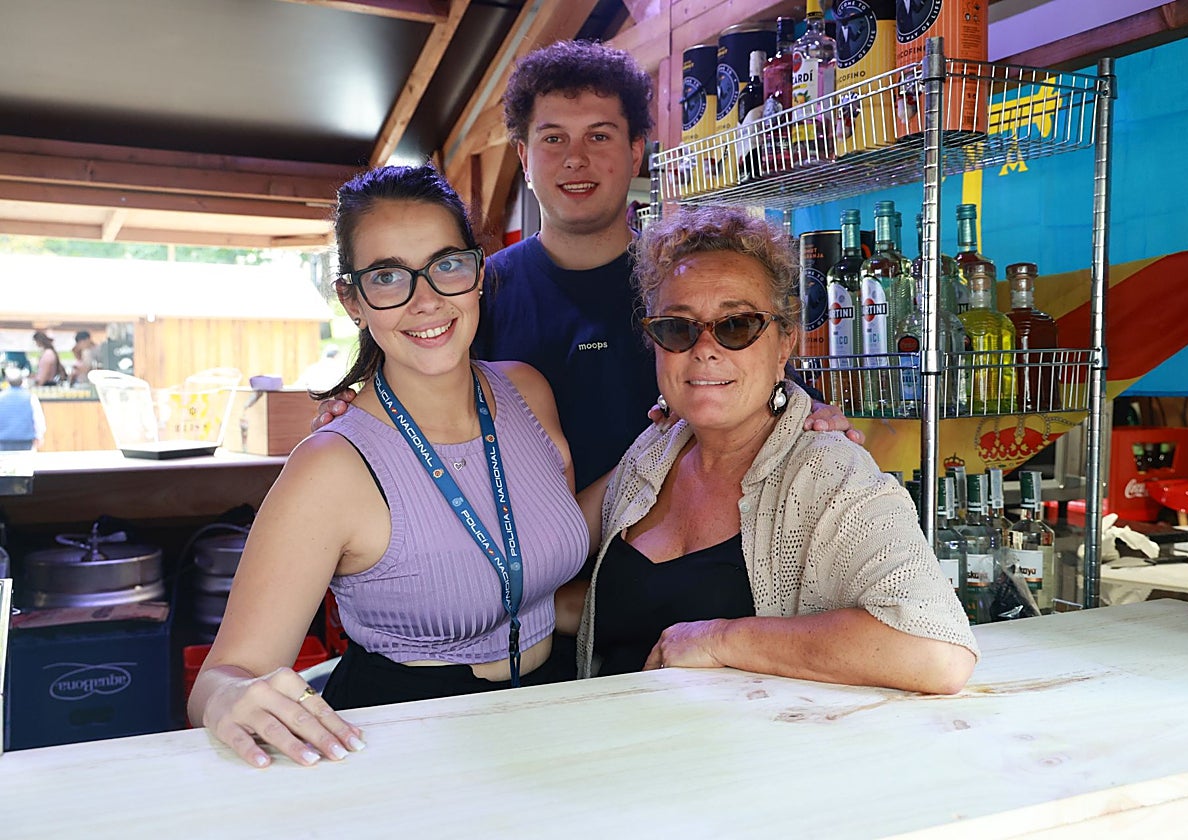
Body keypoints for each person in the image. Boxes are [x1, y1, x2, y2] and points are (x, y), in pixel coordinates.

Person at [314, 40, 861, 487]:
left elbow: (768, 388)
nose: (576, 158)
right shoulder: (473, 292)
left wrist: (814, 417)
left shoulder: (687, 285)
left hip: (681, 559)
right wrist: (353, 408)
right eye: (553, 138)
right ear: (524, 157)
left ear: (636, 152)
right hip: (523, 566)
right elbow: (411, 389)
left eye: (599, 136)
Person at [187, 164, 590, 769]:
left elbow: (534, 552)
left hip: (556, 707)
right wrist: (231, 698)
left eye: (446, 265)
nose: (425, 300)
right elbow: (220, 679)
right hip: (407, 738)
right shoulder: (330, 466)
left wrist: (672, 445)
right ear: (353, 301)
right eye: (387, 276)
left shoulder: (527, 392)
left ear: (478, 273)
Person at [565, 206, 978, 693]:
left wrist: (718, 640)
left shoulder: (827, 468)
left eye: (736, 325)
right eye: (678, 327)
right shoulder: (652, 452)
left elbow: (936, 652)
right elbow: (580, 582)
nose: (705, 348)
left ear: (785, 344)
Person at [0, 367, 46, 451]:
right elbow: (38, 420)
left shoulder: (1, 397)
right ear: (22, 381)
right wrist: (39, 436)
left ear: (7, 382)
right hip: (25, 440)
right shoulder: (31, 397)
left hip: (3, 440)